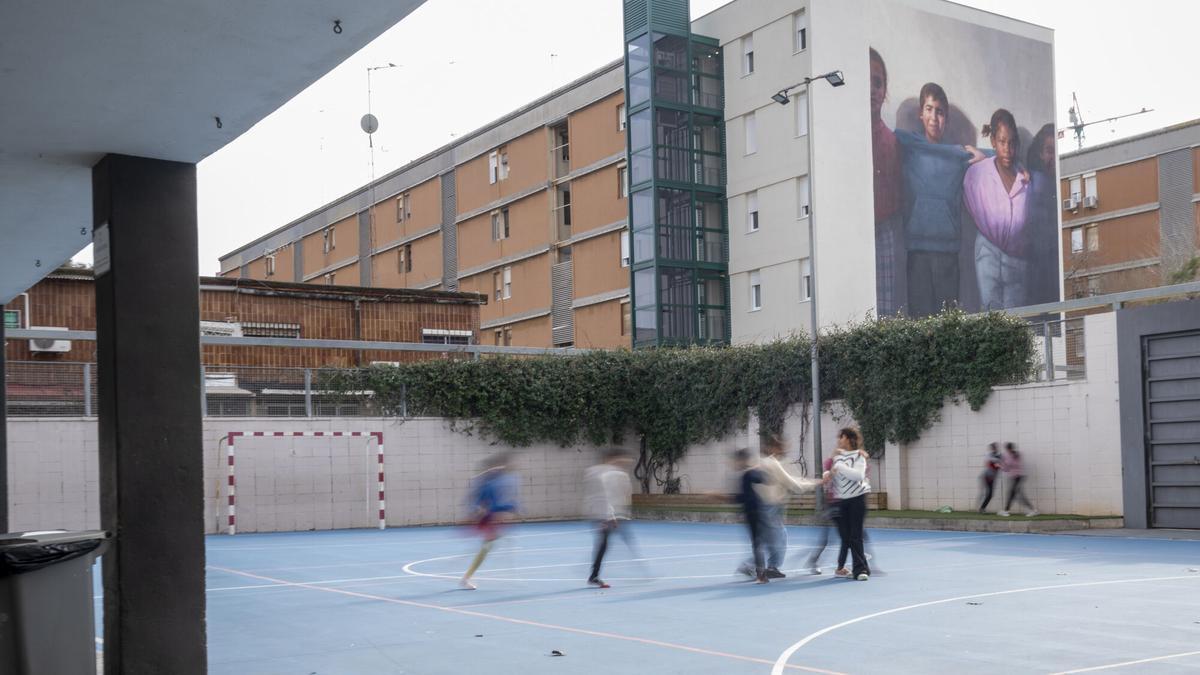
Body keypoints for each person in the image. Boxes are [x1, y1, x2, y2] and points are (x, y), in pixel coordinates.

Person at [896, 83, 986, 317]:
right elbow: (895, 135)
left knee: (947, 325)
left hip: (948, 253)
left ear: (945, 118)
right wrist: (961, 151)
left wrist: (981, 155)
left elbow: (999, 156)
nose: (934, 117)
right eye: (929, 109)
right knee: (920, 325)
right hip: (917, 252)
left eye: (939, 111)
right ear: (920, 113)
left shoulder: (960, 157)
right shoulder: (910, 145)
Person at [963, 109, 1031, 310]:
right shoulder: (978, 172)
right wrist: (985, 156)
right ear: (993, 140)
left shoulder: (1025, 180)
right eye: (1002, 142)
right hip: (988, 251)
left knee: (1015, 319)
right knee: (991, 314)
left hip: (1017, 257)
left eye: (1011, 143)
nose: (1007, 149)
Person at [869, 47, 906, 317]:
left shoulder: (892, 142)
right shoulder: (841, 135)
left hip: (885, 231)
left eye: (877, 83)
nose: (872, 90)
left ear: (885, 90)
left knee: (884, 309)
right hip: (848, 231)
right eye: (866, 81)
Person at [755, 433, 820, 579]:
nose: (783, 449)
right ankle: (769, 566)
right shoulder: (772, 463)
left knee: (768, 537)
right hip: (771, 505)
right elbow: (793, 483)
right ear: (772, 447)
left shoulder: (761, 462)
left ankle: (760, 565)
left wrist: (812, 482)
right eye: (780, 446)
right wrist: (816, 483)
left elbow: (792, 480)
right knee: (778, 536)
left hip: (763, 505)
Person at [459, 453, 519, 590]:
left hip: (491, 517)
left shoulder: (501, 480)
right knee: (487, 545)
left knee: (488, 545)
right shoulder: (488, 482)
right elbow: (481, 501)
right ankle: (465, 577)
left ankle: (466, 576)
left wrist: (510, 509)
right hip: (488, 517)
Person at [583, 448, 635, 589]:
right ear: (614, 458)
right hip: (603, 515)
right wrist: (609, 517)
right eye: (622, 459)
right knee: (603, 544)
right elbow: (604, 496)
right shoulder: (607, 473)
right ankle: (593, 575)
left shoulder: (593, 471)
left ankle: (594, 575)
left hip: (598, 513)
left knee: (604, 544)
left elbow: (593, 495)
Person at [824, 428, 871, 581]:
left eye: (841, 437)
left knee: (855, 536)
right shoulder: (838, 457)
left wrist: (840, 468)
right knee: (847, 537)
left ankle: (860, 570)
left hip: (857, 499)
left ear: (849, 438)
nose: (839, 440)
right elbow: (831, 473)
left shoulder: (859, 456)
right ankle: (863, 566)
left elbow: (858, 475)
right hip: (842, 501)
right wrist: (828, 474)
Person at [1024, 123, 1059, 304]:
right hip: (1039, 269)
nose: (1053, 157)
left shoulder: (1058, 185)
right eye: (1049, 150)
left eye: (1057, 150)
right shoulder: (1035, 183)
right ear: (1040, 153)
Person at [733, 448, 770, 584]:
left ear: (743, 460)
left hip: (754, 512)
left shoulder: (747, 474)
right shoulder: (746, 474)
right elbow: (762, 479)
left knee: (758, 543)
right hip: (754, 512)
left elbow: (761, 479)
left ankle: (759, 573)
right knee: (758, 543)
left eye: (738, 460)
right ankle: (760, 573)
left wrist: (756, 470)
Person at [999, 442, 1038, 517]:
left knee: (1017, 494)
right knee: (1012, 494)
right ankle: (1006, 510)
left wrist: (1000, 464)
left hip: (1015, 477)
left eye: (1006, 449)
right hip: (1019, 476)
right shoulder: (1017, 454)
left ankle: (1033, 510)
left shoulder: (1010, 456)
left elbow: (1006, 468)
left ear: (1008, 449)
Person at [978, 443, 1003, 513]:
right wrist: (998, 462)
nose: (995, 449)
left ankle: (982, 508)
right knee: (989, 494)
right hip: (987, 476)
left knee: (990, 494)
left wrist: (999, 463)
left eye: (995, 447)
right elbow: (992, 461)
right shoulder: (989, 455)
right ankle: (982, 508)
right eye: (993, 448)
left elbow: (999, 464)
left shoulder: (998, 455)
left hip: (991, 477)